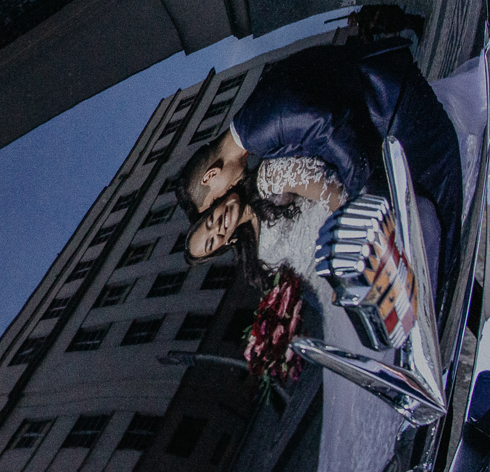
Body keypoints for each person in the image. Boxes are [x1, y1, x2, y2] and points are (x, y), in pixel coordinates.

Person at [175, 32, 463, 314]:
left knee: (441, 259)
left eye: (213, 206)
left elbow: (338, 138)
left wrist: (374, 220)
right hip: (385, 121)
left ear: (210, 176)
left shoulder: (261, 132)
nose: (223, 205)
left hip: (393, 114)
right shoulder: (255, 125)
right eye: (214, 239)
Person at [186, 156, 345, 296]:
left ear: (215, 204)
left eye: (210, 222)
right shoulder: (251, 257)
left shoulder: (267, 176)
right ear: (224, 244)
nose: (217, 228)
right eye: (211, 242)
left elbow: (333, 191)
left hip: (345, 232)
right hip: (330, 286)